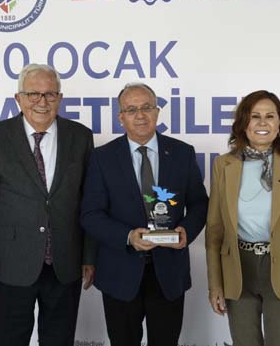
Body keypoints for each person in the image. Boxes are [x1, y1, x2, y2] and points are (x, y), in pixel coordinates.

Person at [0, 63, 96, 346]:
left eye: (50, 94)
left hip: (65, 264)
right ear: (18, 98)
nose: (42, 101)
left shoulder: (80, 136)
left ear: (59, 98)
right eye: (33, 94)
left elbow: (88, 203)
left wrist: (89, 256)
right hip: (11, 265)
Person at [81, 82, 208, 346]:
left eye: (147, 107)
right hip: (120, 271)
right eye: (131, 109)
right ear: (121, 117)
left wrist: (187, 231)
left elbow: (199, 204)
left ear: (157, 112)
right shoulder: (102, 157)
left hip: (168, 271)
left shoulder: (182, 153)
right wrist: (128, 236)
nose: (140, 115)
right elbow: (91, 214)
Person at [206, 90, 280, 346]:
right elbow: (214, 230)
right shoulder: (223, 165)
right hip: (238, 269)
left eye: (270, 116)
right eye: (254, 116)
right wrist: (215, 284)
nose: (262, 122)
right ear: (243, 123)